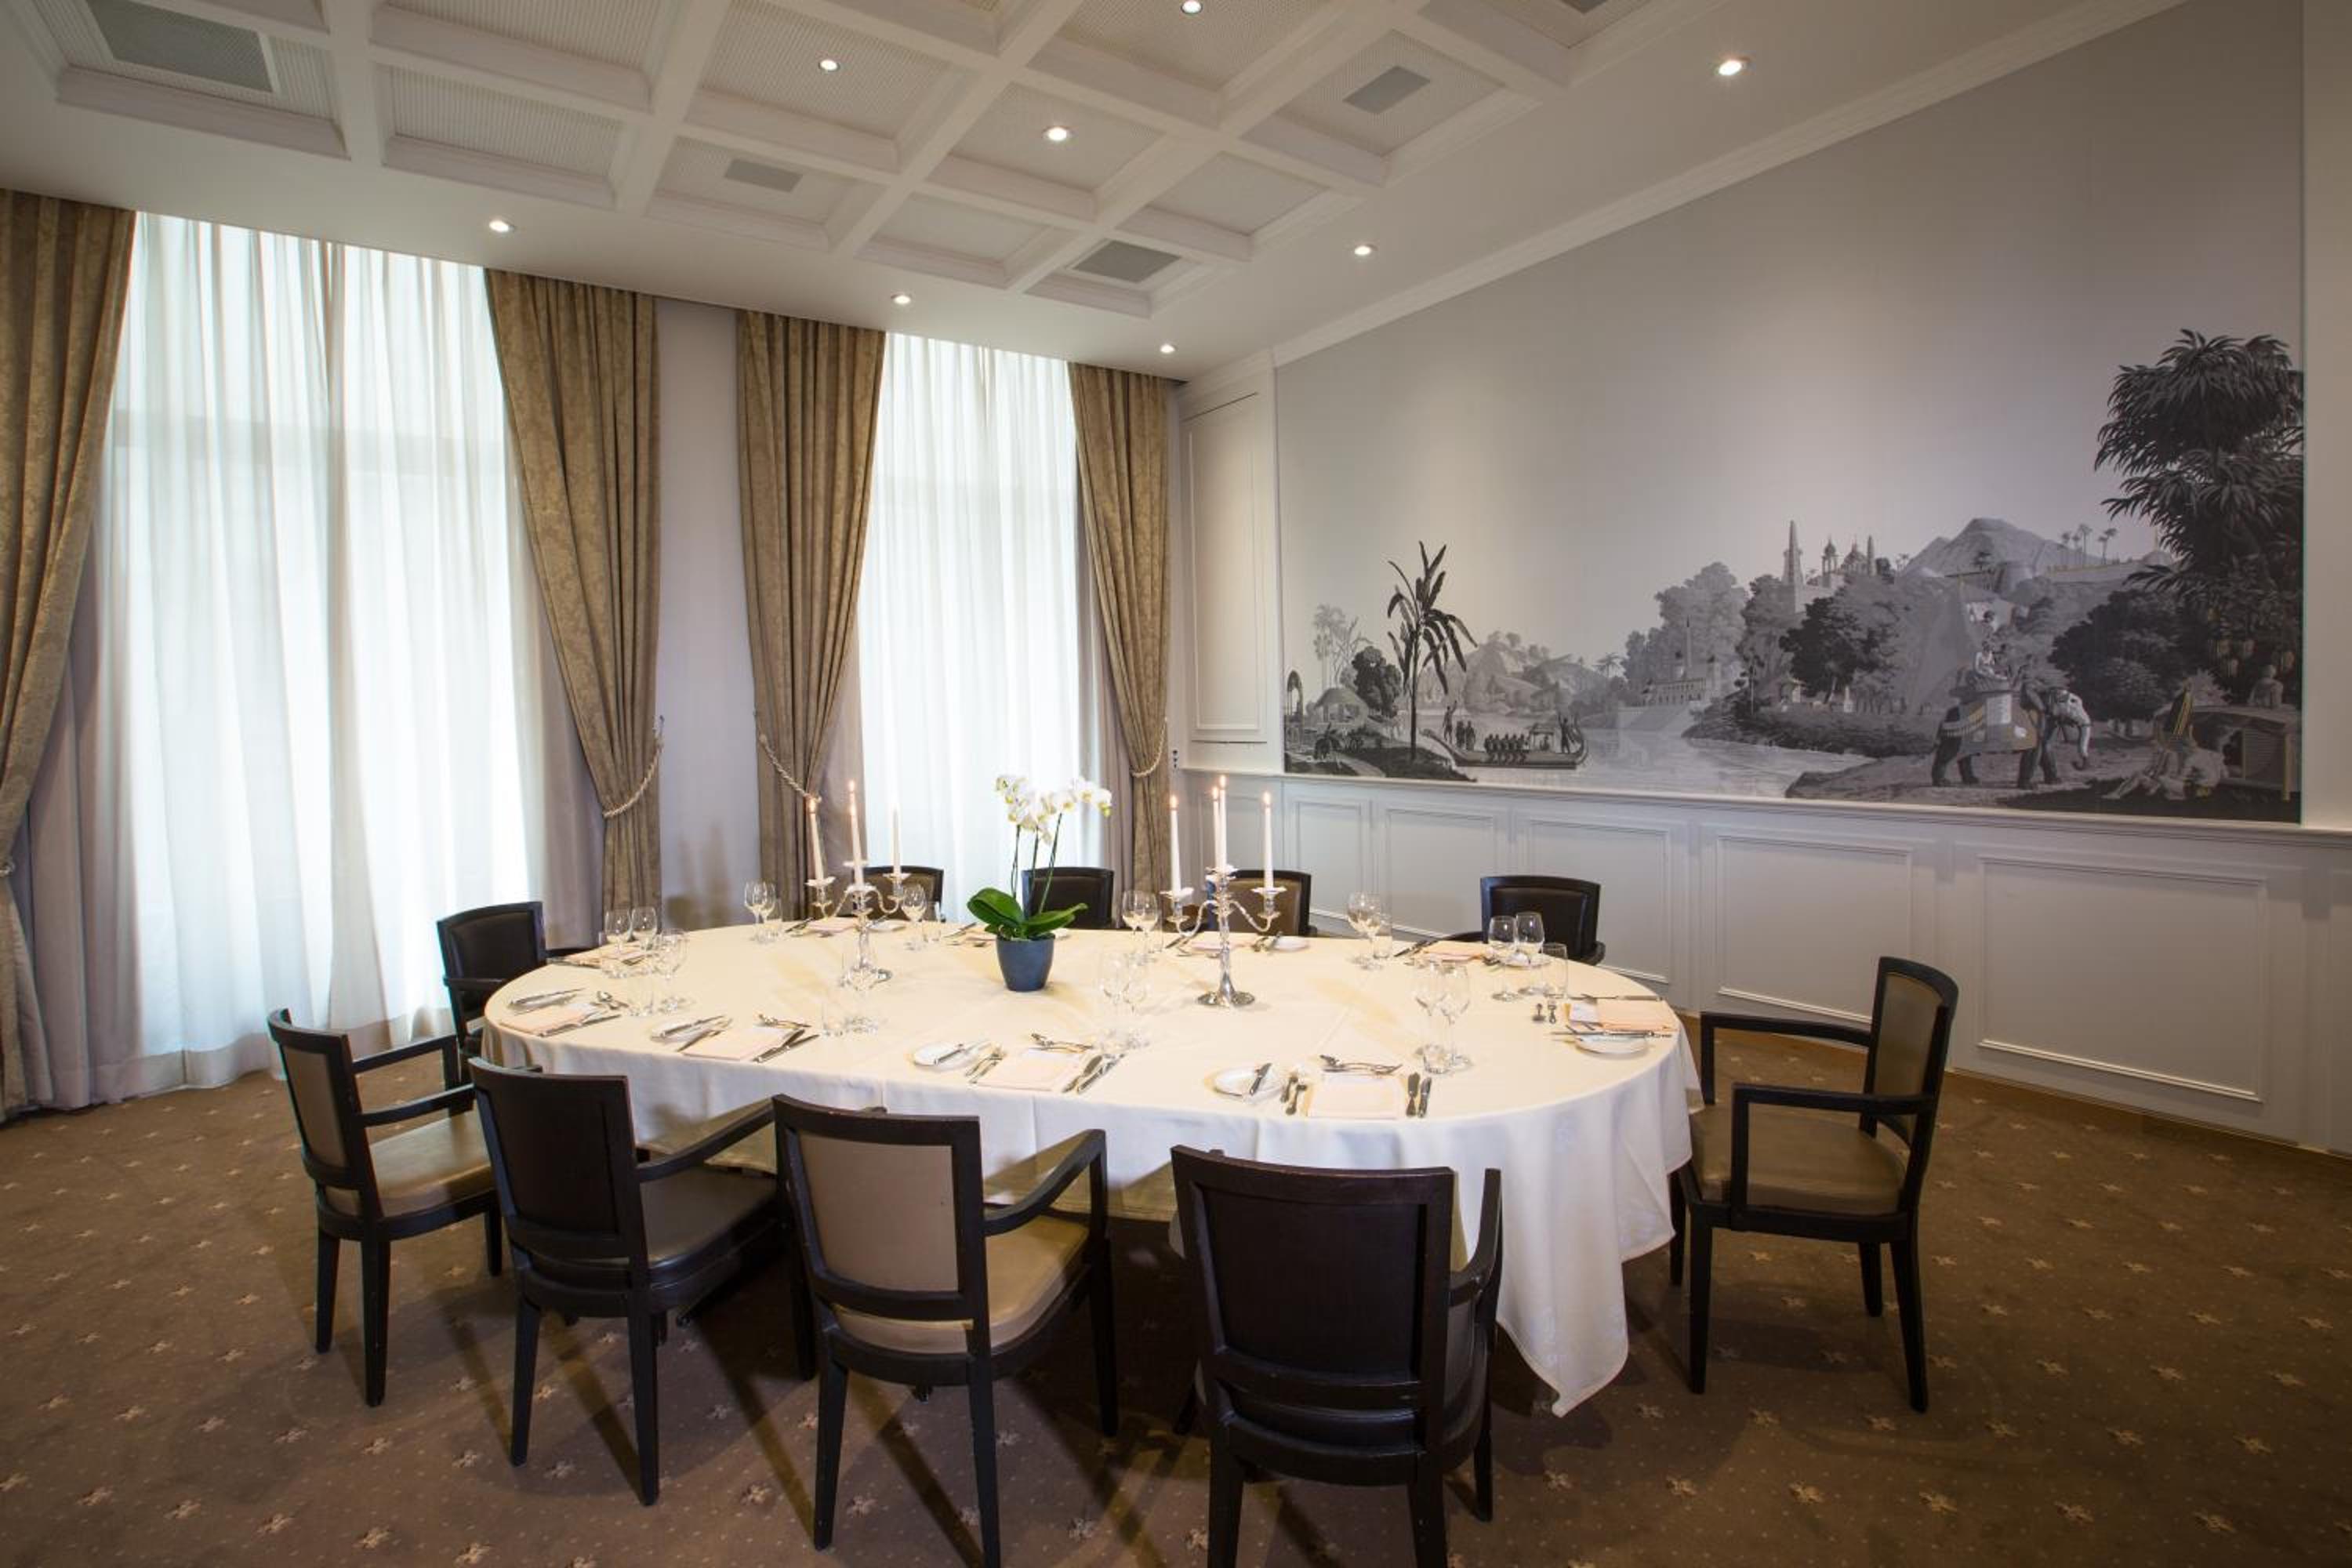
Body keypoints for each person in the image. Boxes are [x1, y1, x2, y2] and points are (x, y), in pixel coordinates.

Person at [1931, 703, 1978, 786]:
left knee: (1965, 753)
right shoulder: (1957, 711)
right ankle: (1939, 779)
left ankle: (1967, 776)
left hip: (1962, 729)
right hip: (1954, 730)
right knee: (1946, 754)